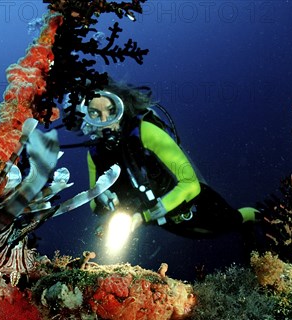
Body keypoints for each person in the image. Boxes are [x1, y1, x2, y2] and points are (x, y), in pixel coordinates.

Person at [79, 81, 259, 238]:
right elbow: (95, 205)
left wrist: (145, 217)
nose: (105, 121)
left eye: (111, 111)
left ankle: (262, 218)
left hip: (194, 207)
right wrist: (101, 196)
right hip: (163, 220)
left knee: (232, 221)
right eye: (94, 113)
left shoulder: (146, 132)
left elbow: (190, 185)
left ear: (122, 107)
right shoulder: (94, 154)